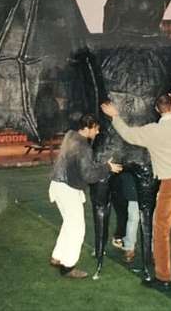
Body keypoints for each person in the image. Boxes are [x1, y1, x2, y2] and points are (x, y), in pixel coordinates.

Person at [101, 93, 171, 291]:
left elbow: (127, 134)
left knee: (161, 230)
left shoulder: (152, 131)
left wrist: (114, 115)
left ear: (156, 109)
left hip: (170, 183)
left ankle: (163, 278)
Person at [49, 114, 123, 279]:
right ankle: (68, 266)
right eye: (96, 129)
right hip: (68, 189)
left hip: (58, 184)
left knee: (69, 223)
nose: (97, 132)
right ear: (88, 127)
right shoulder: (84, 147)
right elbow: (89, 176)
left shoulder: (70, 135)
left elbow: (81, 166)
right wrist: (107, 168)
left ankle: (57, 256)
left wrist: (98, 165)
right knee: (77, 228)